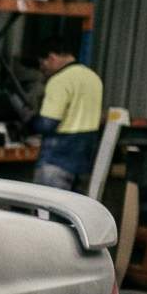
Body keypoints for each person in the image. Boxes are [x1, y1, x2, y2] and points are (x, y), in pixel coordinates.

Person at [30, 44, 104, 192]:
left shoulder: (59, 80)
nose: (42, 69)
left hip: (57, 158)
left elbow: (47, 124)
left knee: (46, 211)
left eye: (42, 64)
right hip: (83, 160)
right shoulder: (93, 78)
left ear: (51, 58)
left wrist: (29, 123)